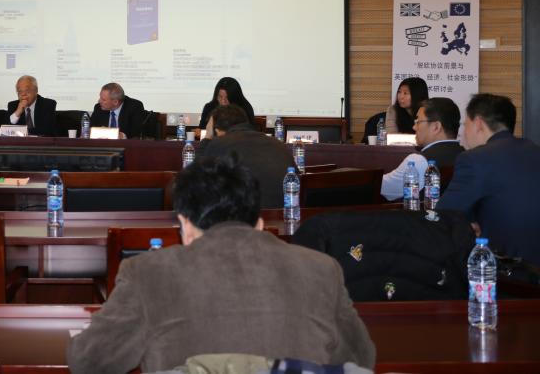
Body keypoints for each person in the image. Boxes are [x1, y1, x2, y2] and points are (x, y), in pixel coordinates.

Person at [66, 154, 375, 373]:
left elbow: (89, 362)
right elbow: (361, 360)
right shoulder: (322, 270)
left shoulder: (147, 273)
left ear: (185, 226)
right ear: (259, 224)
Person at [439, 93, 540, 264]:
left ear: (478, 123)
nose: (464, 132)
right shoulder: (534, 150)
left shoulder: (474, 159)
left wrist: (468, 225)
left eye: (465, 124)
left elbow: (443, 215)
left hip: (507, 269)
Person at [198, 105, 295, 208]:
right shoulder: (278, 144)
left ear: (217, 131)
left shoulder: (218, 144)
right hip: (283, 215)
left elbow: (196, 178)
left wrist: (207, 137)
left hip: (241, 215)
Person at [380, 97, 464, 201]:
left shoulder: (419, 161)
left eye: (418, 122)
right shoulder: (467, 156)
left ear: (436, 127)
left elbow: (383, 187)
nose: (414, 127)